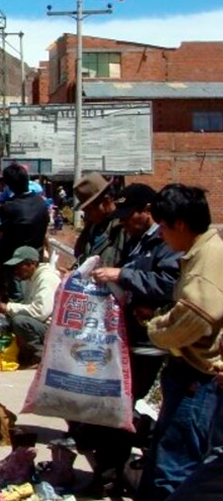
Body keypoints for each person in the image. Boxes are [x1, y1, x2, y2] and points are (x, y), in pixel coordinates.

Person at [80, 182, 181, 494]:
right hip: (127, 337)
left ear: (147, 212)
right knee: (114, 408)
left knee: (123, 410)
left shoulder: (165, 243)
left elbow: (168, 283)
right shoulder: (136, 240)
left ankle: (116, 472)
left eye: (129, 216)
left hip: (149, 343)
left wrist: (122, 275)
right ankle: (111, 471)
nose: (123, 222)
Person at [138, 184, 223, 501]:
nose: (161, 235)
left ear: (181, 225)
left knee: (174, 469)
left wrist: (155, 327)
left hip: (196, 381)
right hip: (188, 378)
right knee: (165, 459)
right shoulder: (201, 252)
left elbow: (190, 322)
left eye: (163, 227)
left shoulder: (206, 265)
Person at [0, 246, 59, 367]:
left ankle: (40, 356)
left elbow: (40, 312)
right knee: (10, 320)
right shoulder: (32, 279)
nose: (16, 271)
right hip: (41, 324)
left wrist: (9, 307)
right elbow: (28, 305)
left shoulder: (46, 278)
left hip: (51, 328)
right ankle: (26, 355)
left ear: (31, 264)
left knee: (20, 321)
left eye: (19, 266)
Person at [71, 171, 124, 269]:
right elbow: (81, 259)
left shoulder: (123, 227)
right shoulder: (91, 228)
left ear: (106, 201)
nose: (87, 215)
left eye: (90, 209)